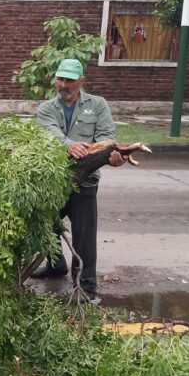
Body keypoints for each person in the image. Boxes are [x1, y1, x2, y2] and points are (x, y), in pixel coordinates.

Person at [33, 58, 124, 304]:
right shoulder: (46, 109)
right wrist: (68, 145)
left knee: (84, 236)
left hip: (85, 182)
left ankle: (86, 287)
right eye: (60, 79)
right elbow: (50, 133)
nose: (64, 85)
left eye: (69, 80)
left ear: (81, 81)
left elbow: (107, 137)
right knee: (45, 225)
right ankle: (56, 265)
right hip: (54, 181)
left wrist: (112, 155)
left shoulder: (97, 105)